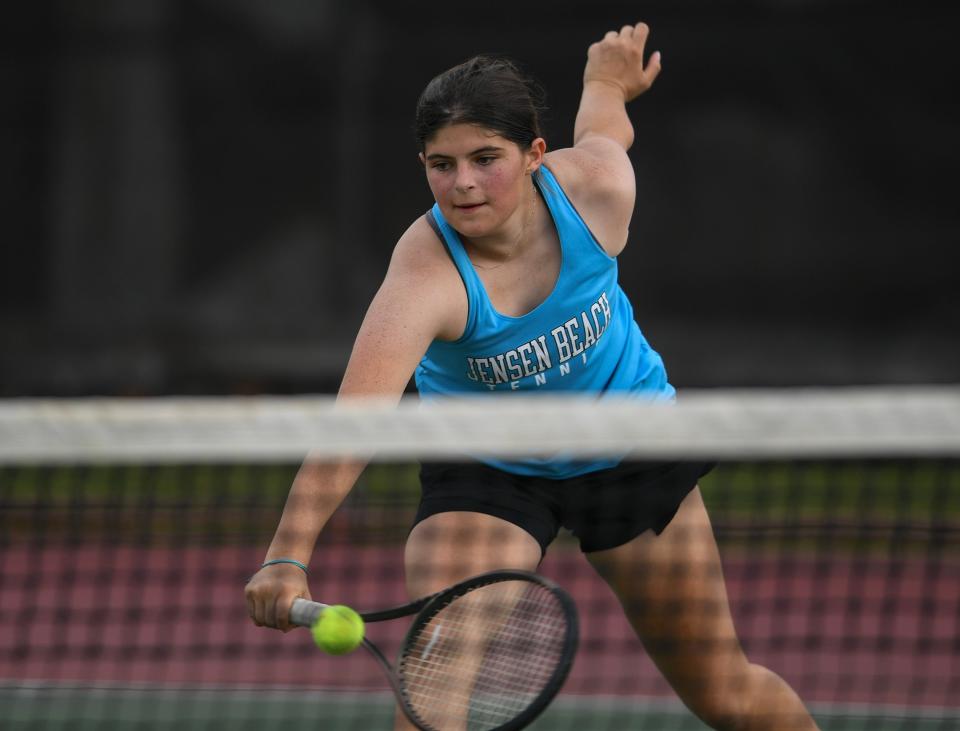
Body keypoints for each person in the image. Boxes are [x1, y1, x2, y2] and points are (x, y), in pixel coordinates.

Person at [245, 22, 820, 731]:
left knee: (726, 693)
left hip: (628, 443)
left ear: (535, 155)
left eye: (486, 158)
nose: (462, 184)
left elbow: (606, 130)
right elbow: (356, 421)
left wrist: (608, 82)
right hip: (491, 466)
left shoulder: (595, 192)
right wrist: (286, 554)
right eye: (440, 163)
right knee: (439, 675)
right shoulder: (425, 274)